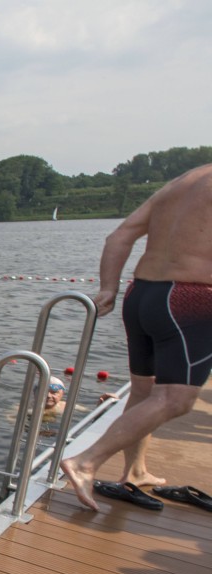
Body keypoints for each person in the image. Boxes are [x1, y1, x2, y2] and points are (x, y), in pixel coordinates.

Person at [60, 164, 212, 511]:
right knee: (177, 399)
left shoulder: (183, 181)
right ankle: (85, 462)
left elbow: (119, 236)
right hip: (191, 298)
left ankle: (136, 471)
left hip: (142, 295)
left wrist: (108, 288)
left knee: (145, 391)